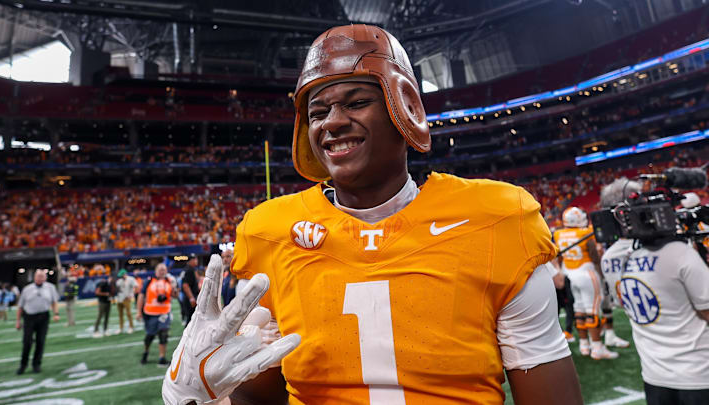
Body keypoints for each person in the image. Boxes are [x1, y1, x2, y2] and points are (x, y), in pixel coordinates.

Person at [163, 24, 582, 405]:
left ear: (406, 108)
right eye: (318, 112)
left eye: (357, 101)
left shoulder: (495, 219)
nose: (333, 123)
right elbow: (262, 399)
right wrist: (196, 399)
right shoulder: (271, 232)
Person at [600, 177, 709, 405]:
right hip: (698, 373)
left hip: (654, 374)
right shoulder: (679, 253)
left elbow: (623, 303)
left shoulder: (611, 258)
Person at [553, 206, 618, 360]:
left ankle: (584, 345)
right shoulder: (585, 233)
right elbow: (594, 256)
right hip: (586, 272)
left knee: (579, 311)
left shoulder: (558, 233)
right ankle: (597, 347)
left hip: (569, 273)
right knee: (592, 311)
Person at [15, 269, 60, 374]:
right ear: (34, 277)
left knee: (41, 341)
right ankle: (23, 365)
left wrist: (56, 314)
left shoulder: (50, 287)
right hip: (29, 317)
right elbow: (20, 306)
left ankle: (36, 364)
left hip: (44, 317)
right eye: (38, 276)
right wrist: (18, 321)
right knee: (27, 342)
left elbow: (54, 302)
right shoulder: (27, 289)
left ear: (45, 278)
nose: (40, 278)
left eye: (42, 276)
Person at [136, 263, 176, 365]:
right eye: (160, 269)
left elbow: (175, 295)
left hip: (164, 312)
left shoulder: (169, 281)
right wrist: (138, 311)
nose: (162, 271)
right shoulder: (149, 281)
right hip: (150, 313)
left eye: (164, 269)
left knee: (163, 334)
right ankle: (146, 352)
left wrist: (174, 287)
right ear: (156, 270)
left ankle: (162, 357)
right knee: (150, 336)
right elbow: (141, 296)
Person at [180, 254, 201, 326]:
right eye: (195, 259)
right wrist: (191, 298)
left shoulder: (187, 269)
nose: (196, 261)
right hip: (190, 297)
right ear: (191, 260)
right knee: (191, 319)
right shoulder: (189, 270)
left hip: (188, 297)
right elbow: (185, 285)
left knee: (192, 318)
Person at [115, 269, 137, 333]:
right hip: (119, 299)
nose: (121, 277)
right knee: (120, 314)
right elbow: (118, 290)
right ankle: (121, 328)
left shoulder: (131, 279)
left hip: (126, 298)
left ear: (125, 274)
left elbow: (136, 287)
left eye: (122, 275)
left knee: (128, 313)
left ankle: (131, 327)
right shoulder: (118, 281)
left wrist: (131, 295)